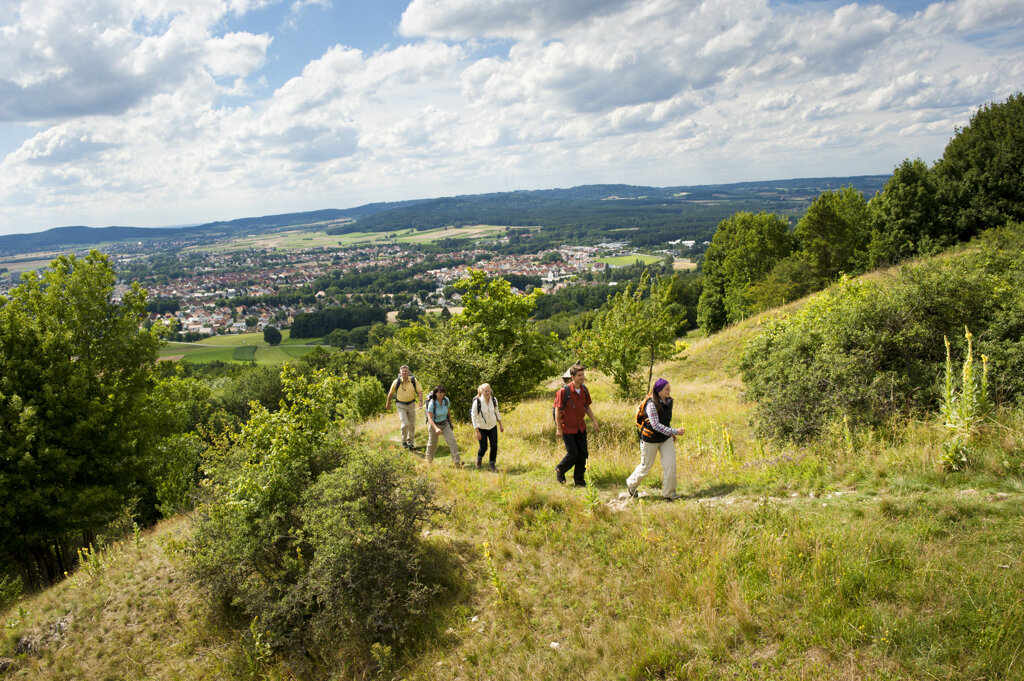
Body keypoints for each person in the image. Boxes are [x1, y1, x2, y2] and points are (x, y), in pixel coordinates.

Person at [627, 378, 684, 500]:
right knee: (645, 467)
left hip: (665, 438)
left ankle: (669, 494)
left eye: (669, 388)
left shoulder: (669, 401)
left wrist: (671, 434)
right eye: (666, 389)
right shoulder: (651, 404)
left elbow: (665, 421)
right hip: (650, 439)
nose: (669, 391)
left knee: (670, 465)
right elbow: (655, 425)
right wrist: (674, 431)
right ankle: (631, 485)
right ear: (659, 391)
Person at [553, 363, 600, 486]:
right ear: (572, 377)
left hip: (580, 427)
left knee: (583, 454)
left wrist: (594, 421)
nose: (582, 377)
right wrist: (558, 428)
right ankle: (560, 469)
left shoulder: (584, 390)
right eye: (579, 375)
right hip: (567, 427)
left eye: (583, 375)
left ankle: (579, 480)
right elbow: (557, 409)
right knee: (573, 453)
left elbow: (587, 407)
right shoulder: (564, 391)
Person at [384, 365, 423, 450]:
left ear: (408, 372)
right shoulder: (396, 382)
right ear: (400, 373)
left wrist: (420, 401)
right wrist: (388, 403)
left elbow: (419, 391)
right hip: (401, 406)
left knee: (412, 425)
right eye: (403, 371)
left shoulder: (413, 380)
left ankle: (411, 443)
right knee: (405, 424)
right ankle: (404, 441)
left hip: (412, 405)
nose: (404, 372)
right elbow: (390, 393)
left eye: (406, 371)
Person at [424, 384, 461, 466]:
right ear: (435, 393)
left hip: (445, 423)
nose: (441, 394)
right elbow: (429, 418)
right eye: (439, 392)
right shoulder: (432, 403)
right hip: (434, 424)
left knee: (452, 441)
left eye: (443, 392)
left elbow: (448, 412)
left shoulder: (446, 400)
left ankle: (457, 462)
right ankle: (428, 462)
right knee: (432, 444)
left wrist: (450, 423)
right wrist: (436, 428)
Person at [471, 383, 504, 471]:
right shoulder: (477, 402)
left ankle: (492, 464)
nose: (488, 393)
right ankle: (479, 458)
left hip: (493, 426)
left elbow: (497, 412)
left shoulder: (494, 400)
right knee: (484, 447)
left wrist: (500, 424)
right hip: (481, 427)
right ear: (482, 391)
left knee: (494, 446)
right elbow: (473, 416)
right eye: (486, 391)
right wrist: (477, 431)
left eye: (489, 391)